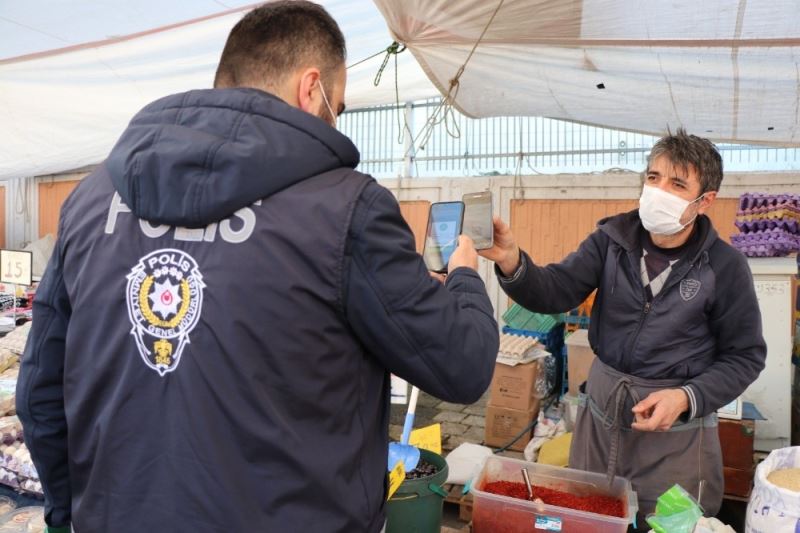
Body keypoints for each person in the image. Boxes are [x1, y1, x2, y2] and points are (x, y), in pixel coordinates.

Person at [16, 3, 499, 532]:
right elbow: (462, 365)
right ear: (310, 89)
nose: (336, 116)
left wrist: (70, 514)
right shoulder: (347, 210)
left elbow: (41, 392)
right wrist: (464, 276)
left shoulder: (90, 200)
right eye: (339, 104)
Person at [480, 129, 766, 525]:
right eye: (653, 178)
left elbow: (745, 356)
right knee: (590, 513)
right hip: (602, 419)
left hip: (674, 438)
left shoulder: (724, 267)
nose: (658, 191)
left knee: (663, 521)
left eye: (677, 184)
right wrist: (513, 262)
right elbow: (556, 290)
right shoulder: (611, 242)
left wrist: (685, 398)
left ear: (706, 201)